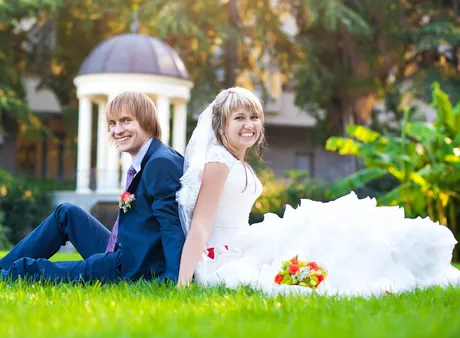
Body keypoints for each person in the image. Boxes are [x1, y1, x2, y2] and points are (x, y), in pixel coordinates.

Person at [175, 87, 460, 296]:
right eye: (239, 118)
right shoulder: (219, 161)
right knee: (318, 229)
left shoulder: (237, 162)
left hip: (246, 240)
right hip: (226, 255)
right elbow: (201, 222)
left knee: (326, 225)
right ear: (220, 125)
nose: (249, 125)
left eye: (254, 117)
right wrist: (183, 284)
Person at [0, 92, 186, 284]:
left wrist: (175, 281)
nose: (116, 130)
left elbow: (172, 227)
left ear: (146, 120)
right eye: (112, 123)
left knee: (29, 270)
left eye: (126, 121)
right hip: (125, 252)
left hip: (129, 269)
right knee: (67, 214)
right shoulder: (151, 157)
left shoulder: (159, 162)